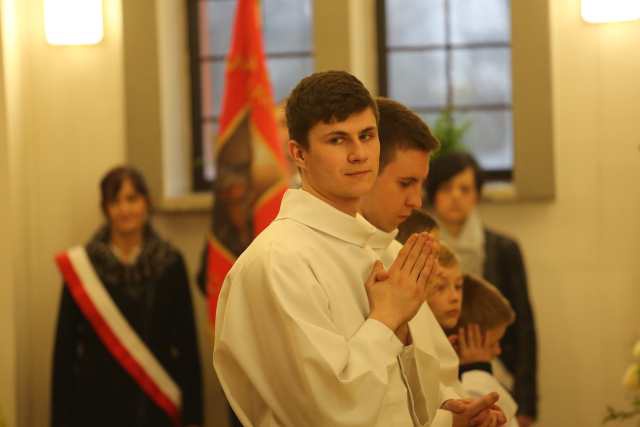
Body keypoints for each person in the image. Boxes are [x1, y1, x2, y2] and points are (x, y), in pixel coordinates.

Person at [360, 97, 507, 426]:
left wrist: (460, 415)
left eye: (420, 185)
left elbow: (431, 380)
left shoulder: (393, 251)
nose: (416, 201)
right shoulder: (285, 260)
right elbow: (339, 401)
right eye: (405, 183)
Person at [52, 166, 203, 427]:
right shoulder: (83, 266)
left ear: (146, 202)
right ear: (105, 208)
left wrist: (193, 416)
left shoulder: (170, 263)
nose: (125, 209)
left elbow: (187, 345)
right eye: (115, 201)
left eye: (132, 199)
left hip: (155, 403)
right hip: (95, 404)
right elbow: (64, 352)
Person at [427, 152, 538, 426]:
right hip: (439, 367)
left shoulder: (503, 248)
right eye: (445, 188)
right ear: (432, 194)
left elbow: (523, 326)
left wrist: (527, 403)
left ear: (476, 195)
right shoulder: (418, 248)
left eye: (464, 189)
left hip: (498, 365)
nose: (455, 196)